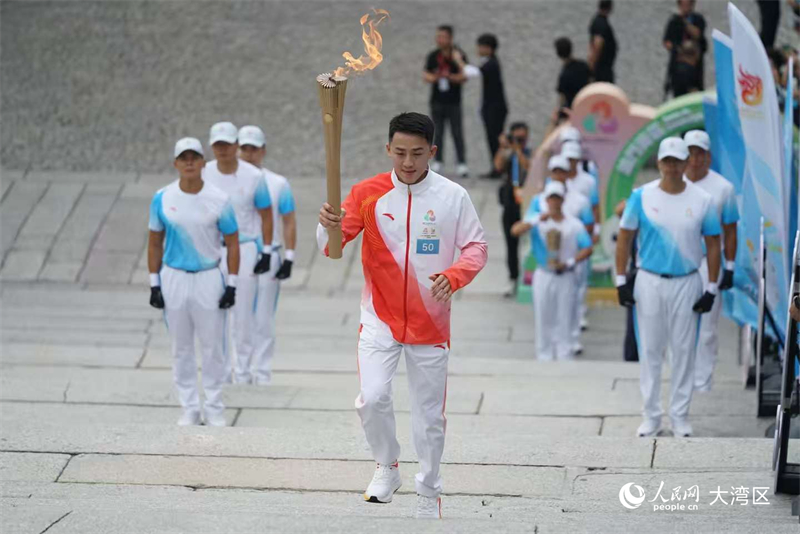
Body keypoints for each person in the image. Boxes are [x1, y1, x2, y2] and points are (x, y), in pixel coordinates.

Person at [316, 112, 487, 519]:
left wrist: (455, 274)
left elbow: (476, 247)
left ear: (432, 151)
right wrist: (328, 227)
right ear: (387, 149)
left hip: (430, 323)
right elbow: (332, 249)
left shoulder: (452, 196)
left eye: (416, 153)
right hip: (379, 317)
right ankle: (387, 466)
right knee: (372, 398)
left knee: (429, 418)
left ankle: (429, 491)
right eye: (399, 153)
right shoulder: (366, 193)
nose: (407, 162)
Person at [615, 137, 722, 438]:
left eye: (678, 161)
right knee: (650, 348)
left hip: (687, 281)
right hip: (649, 281)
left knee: (684, 350)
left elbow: (714, 243)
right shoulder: (641, 196)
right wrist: (621, 280)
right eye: (667, 161)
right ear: (660, 163)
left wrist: (711, 286)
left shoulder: (702, 200)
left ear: (686, 162)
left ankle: (680, 416)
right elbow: (624, 238)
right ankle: (651, 416)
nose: (672, 167)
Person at [147, 137, 240, 427]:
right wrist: (154, 283)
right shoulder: (162, 197)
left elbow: (233, 243)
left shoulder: (219, 199)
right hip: (173, 276)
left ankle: (214, 407)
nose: (189, 162)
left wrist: (232, 283)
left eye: (194, 157)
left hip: (209, 277)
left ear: (202, 162)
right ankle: (189, 407)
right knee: (181, 346)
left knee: (213, 346)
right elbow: (154, 242)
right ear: (176, 163)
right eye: (183, 157)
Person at [202, 122, 274, 385]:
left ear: (236, 145)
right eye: (217, 145)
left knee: (242, 315)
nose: (222, 150)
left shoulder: (254, 177)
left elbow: (266, 215)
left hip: (244, 248)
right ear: (212, 147)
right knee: (212, 314)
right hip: (211, 249)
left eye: (227, 144)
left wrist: (266, 250)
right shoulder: (203, 172)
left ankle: (242, 372)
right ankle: (218, 373)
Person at [237, 125, 298, 386]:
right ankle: (240, 371)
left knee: (263, 317)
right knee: (238, 317)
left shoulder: (277, 183)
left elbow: (288, 220)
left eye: (254, 149)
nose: (249, 154)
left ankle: (262, 372)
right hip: (238, 254)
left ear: (263, 151)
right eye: (245, 149)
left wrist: (290, 256)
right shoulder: (228, 182)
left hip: (269, 253)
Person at [683, 130, 739, 392]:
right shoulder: (673, 181)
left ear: (708, 156)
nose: (695, 159)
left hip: (709, 263)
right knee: (680, 326)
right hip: (681, 263)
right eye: (690, 153)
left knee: (706, 327)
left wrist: (729, 266)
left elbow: (730, 230)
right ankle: (681, 379)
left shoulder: (723, 188)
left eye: (700, 154)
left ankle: (702, 381)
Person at [511, 181, 593, 361]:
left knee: (565, 316)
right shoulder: (538, 222)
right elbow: (515, 231)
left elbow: (587, 247)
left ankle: (565, 354)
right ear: (546, 200)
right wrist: (536, 219)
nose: (554, 202)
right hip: (544, 274)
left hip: (566, 275)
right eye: (551, 199)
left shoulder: (574, 224)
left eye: (558, 198)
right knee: (543, 316)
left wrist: (570, 262)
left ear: (563, 200)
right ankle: (544, 355)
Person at [561, 141, 600, 334]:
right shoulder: (559, 181)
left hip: (583, 231)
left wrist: (597, 229)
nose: (571, 163)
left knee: (581, 278)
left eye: (573, 159)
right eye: (568, 159)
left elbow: (594, 206)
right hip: (563, 237)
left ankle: (580, 313)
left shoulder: (588, 181)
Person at [424, 25, 469, 178]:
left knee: (457, 131)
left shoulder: (458, 55)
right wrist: (437, 77)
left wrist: (450, 77)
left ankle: (462, 163)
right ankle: (438, 161)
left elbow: (464, 76)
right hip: (437, 100)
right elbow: (426, 75)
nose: (440, 40)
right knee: (438, 131)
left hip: (454, 101)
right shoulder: (433, 56)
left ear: (450, 38)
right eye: (438, 37)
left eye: (443, 37)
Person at [494, 122, 531, 298]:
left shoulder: (531, 153)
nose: (519, 142)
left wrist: (519, 150)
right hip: (510, 203)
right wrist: (503, 147)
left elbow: (528, 167)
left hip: (527, 204)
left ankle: (528, 276)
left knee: (529, 243)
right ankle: (513, 277)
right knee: (510, 243)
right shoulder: (508, 154)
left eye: (521, 139)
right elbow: (498, 166)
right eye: (516, 138)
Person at [475, 33, 508, 179]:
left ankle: (498, 168)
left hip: (494, 108)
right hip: (492, 107)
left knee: (494, 138)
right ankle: (496, 167)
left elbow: (473, 72)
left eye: (481, 46)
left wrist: (458, 61)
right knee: (492, 138)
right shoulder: (491, 62)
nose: (478, 49)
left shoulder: (491, 64)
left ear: (489, 48)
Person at [663, 0, 707, 97]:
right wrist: (678, 49)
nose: (685, 8)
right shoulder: (674, 21)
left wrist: (685, 22)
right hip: (677, 66)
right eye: (683, 5)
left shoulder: (698, 19)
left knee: (694, 93)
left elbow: (698, 34)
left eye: (687, 5)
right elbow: (666, 41)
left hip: (694, 68)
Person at [554, 37, 592, 120]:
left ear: (558, 54)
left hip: (573, 111)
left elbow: (562, 98)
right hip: (588, 106)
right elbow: (591, 83)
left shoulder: (564, 76)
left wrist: (558, 114)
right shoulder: (583, 65)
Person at [588, 0, 618, 83]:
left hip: (603, 68)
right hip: (602, 70)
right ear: (610, 8)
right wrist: (591, 68)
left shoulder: (598, 21)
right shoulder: (601, 24)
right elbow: (597, 44)